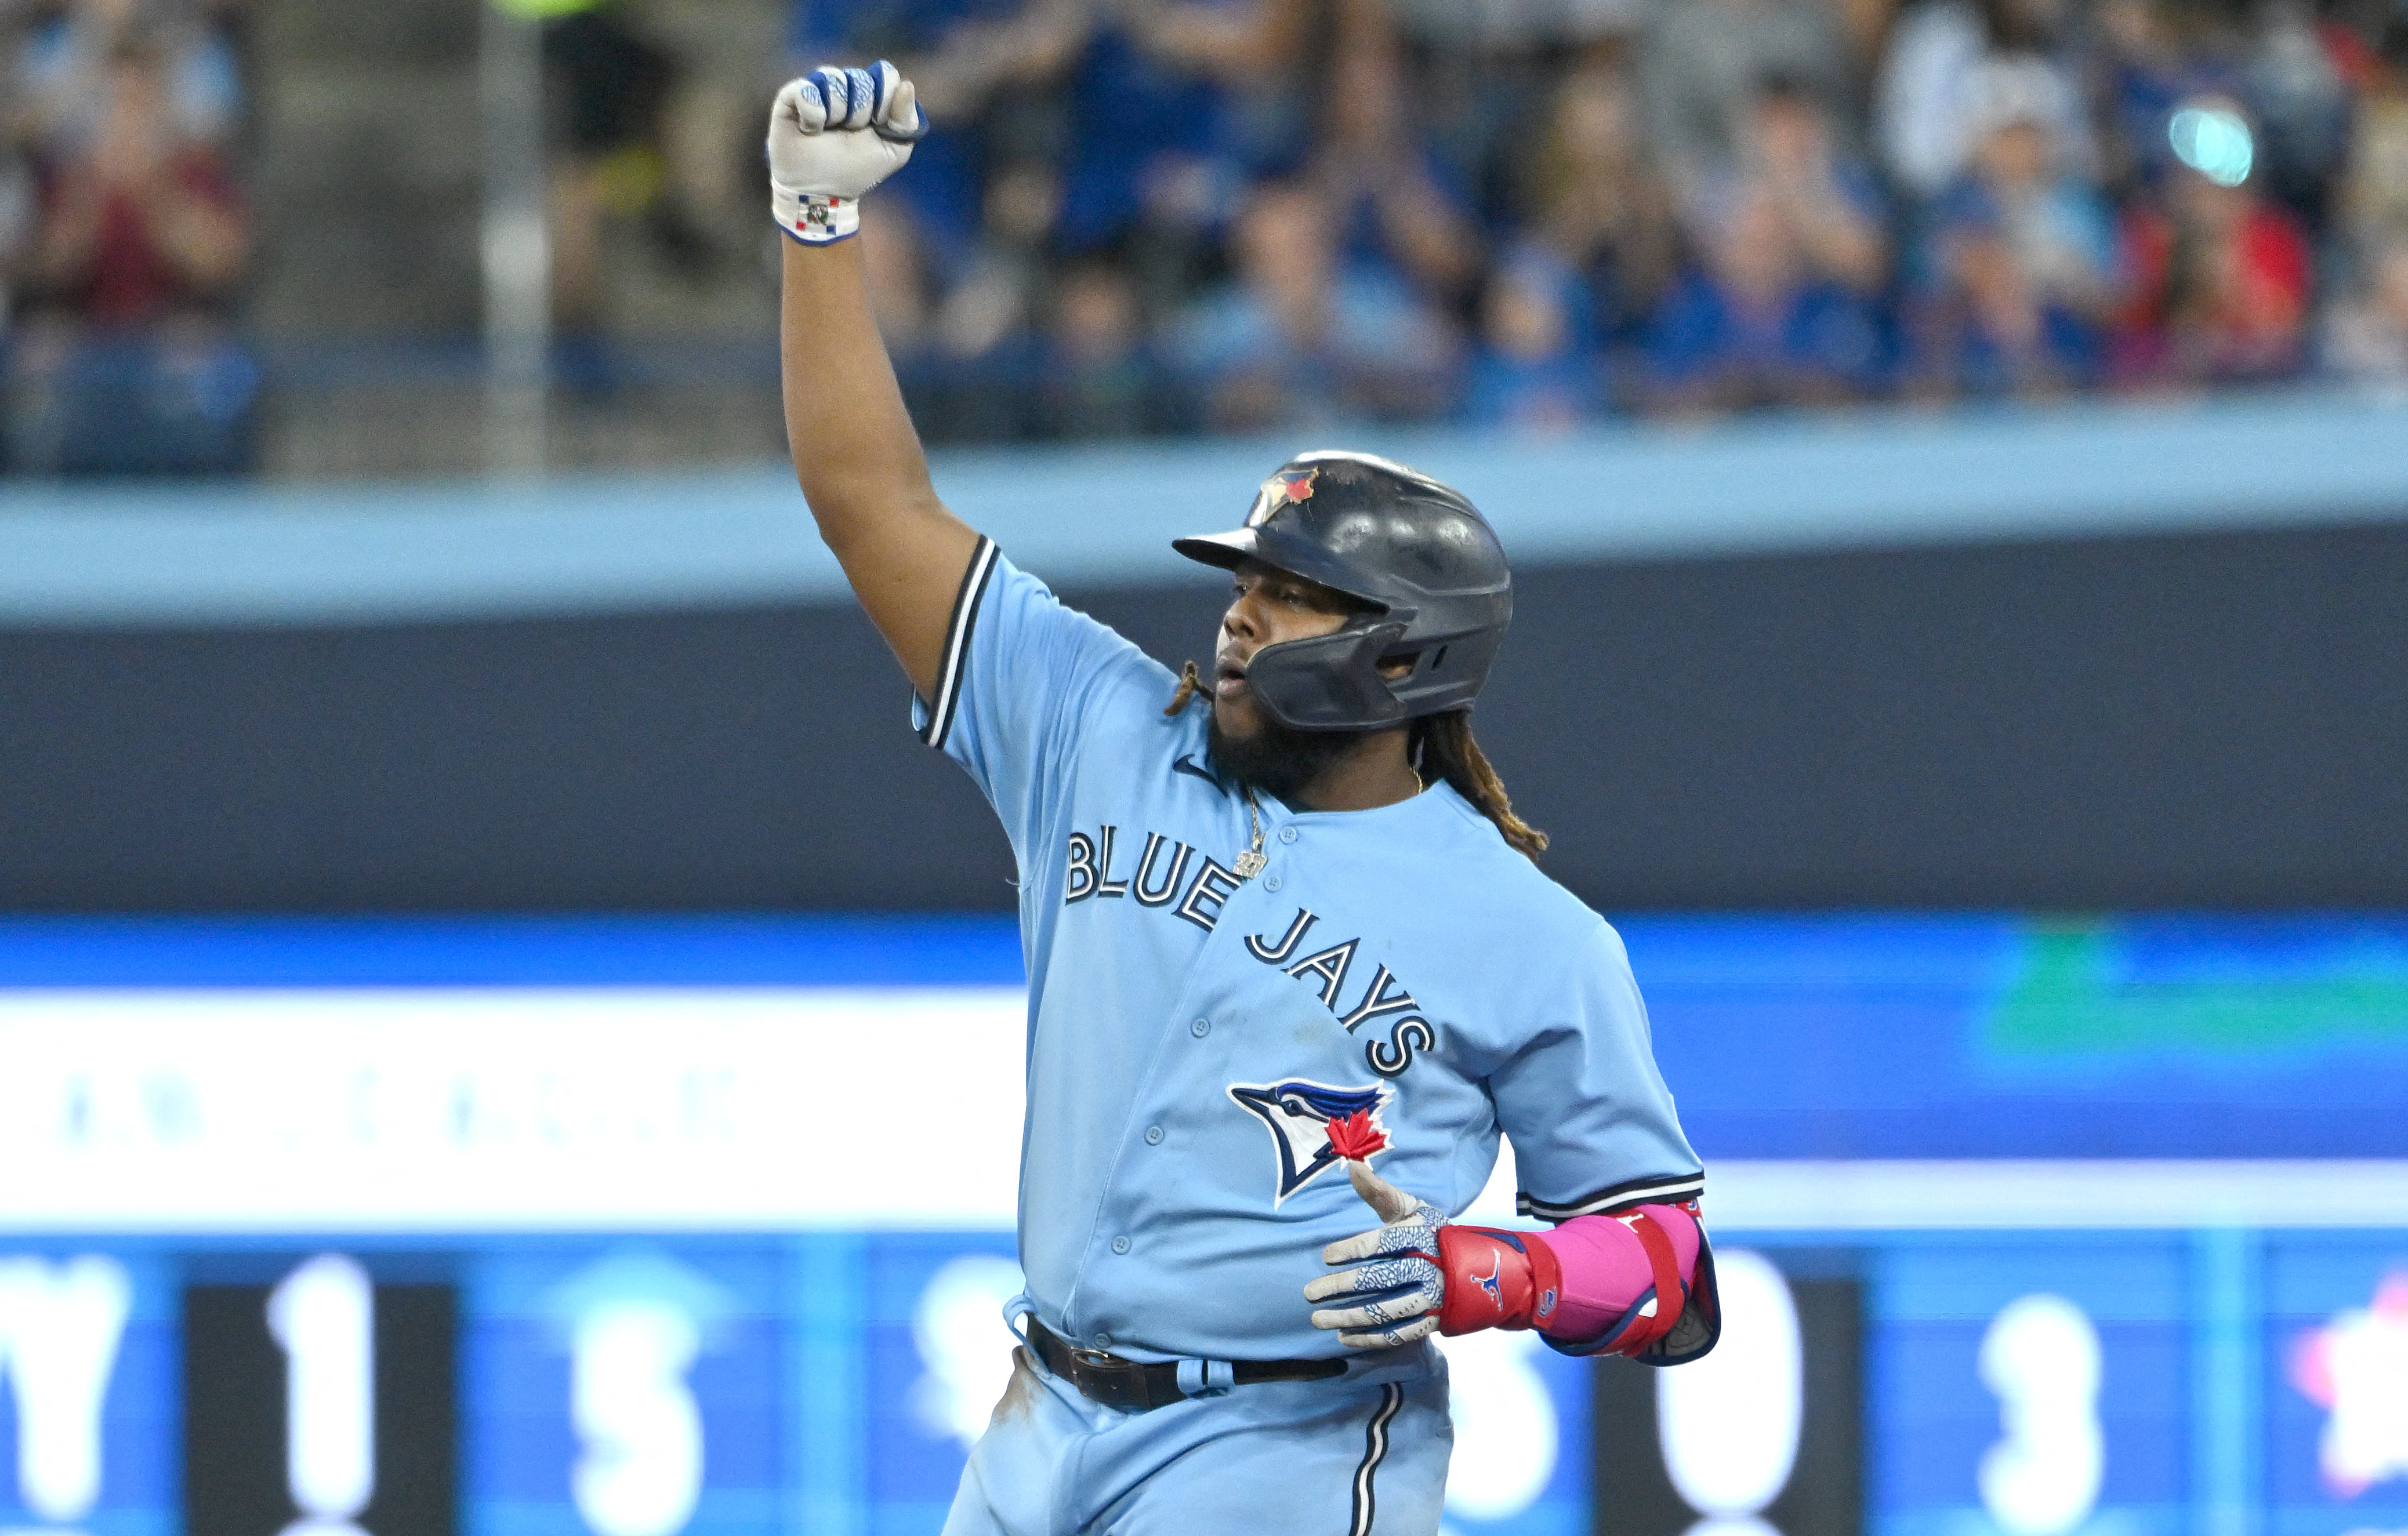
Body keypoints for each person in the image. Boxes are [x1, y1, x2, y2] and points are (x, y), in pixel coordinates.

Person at [766, 61, 1718, 1531]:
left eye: (1293, 597)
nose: (1240, 619)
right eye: (1247, 586)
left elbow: (1668, 1263)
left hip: (1281, 1447)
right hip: (1042, 1416)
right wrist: (818, 221)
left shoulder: (1526, 929)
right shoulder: (1097, 723)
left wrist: (1500, 1273)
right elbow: (868, 498)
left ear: (1403, 655)